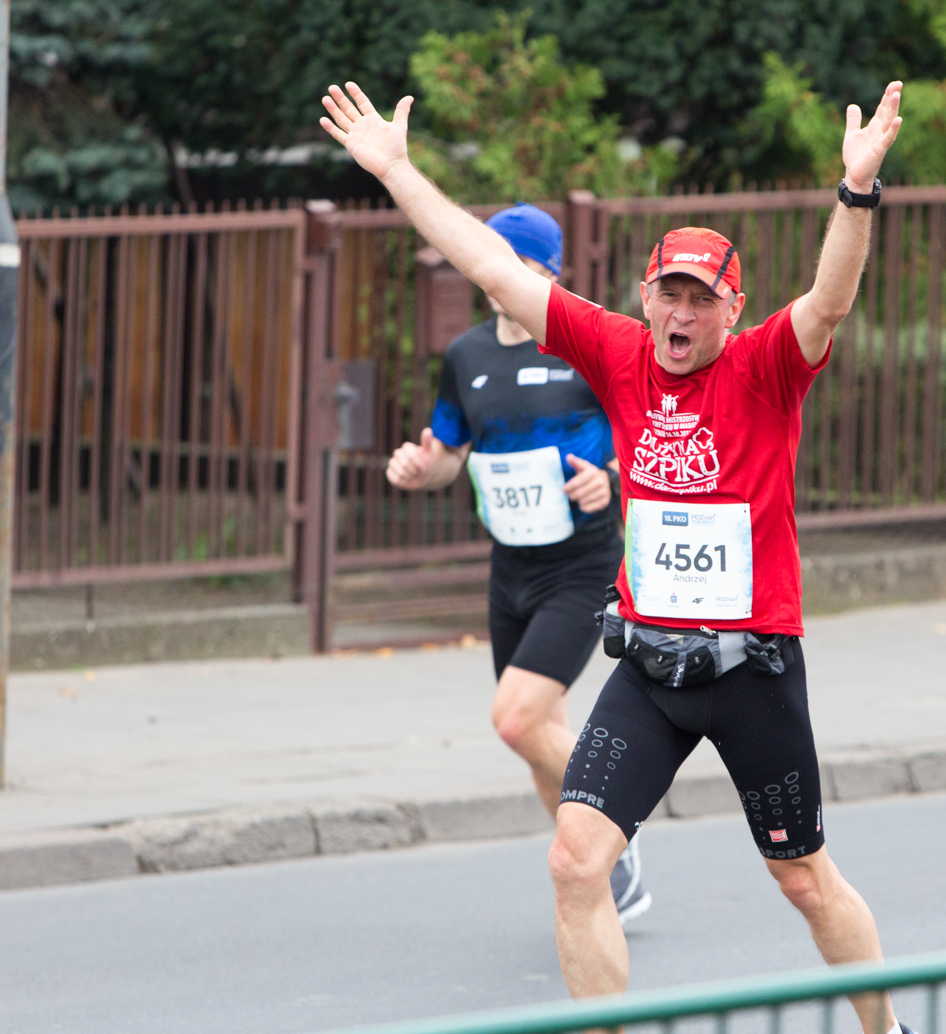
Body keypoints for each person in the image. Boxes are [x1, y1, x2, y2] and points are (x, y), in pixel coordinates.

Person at [322, 77, 914, 1034]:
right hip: (648, 664)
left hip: (752, 664)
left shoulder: (765, 367)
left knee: (803, 877)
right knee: (574, 860)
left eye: (701, 300)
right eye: (668, 295)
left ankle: (887, 1031)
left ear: (732, 308)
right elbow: (496, 267)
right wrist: (397, 172)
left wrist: (854, 194)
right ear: (646, 296)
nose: (681, 316)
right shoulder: (617, 351)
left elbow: (832, 299)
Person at [384, 203, 649, 925]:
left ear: (547, 271)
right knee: (539, 735)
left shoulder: (585, 346)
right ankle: (600, 871)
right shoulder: (467, 355)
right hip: (512, 570)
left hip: (583, 564)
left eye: (516, 261)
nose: (497, 272)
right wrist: (418, 466)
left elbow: (647, 429)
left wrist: (613, 477)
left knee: (515, 719)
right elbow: (447, 452)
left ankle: (620, 821)